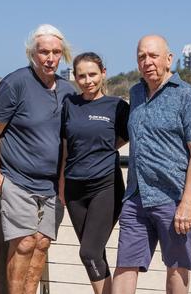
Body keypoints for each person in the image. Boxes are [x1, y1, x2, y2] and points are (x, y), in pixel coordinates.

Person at [112, 35, 191, 294]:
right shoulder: (135, 93)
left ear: (169, 59)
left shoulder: (189, 96)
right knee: (124, 266)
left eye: (153, 56)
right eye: (142, 57)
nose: (147, 62)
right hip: (136, 197)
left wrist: (187, 202)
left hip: (174, 198)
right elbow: (130, 135)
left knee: (177, 267)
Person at [0, 24, 76, 294]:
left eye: (56, 52)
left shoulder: (67, 90)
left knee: (42, 243)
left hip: (51, 185)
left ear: (63, 55)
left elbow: (68, 138)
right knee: (24, 243)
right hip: (17, 180)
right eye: (44, 52)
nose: (50, 58)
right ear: (32, 54)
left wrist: (62, 180)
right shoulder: (16, 83)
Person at [58, 52, 129, 294]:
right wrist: (61, 184)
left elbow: (123, 137)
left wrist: (103, 148)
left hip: (105, 187)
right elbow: (66, 146)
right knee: (95, 254)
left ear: (103, 74)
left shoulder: (117, 106)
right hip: (74, 189)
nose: (88, 80)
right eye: (82, 76)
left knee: (88, 252)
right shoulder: (70, 104)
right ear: (75, 78)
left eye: (93, 74)